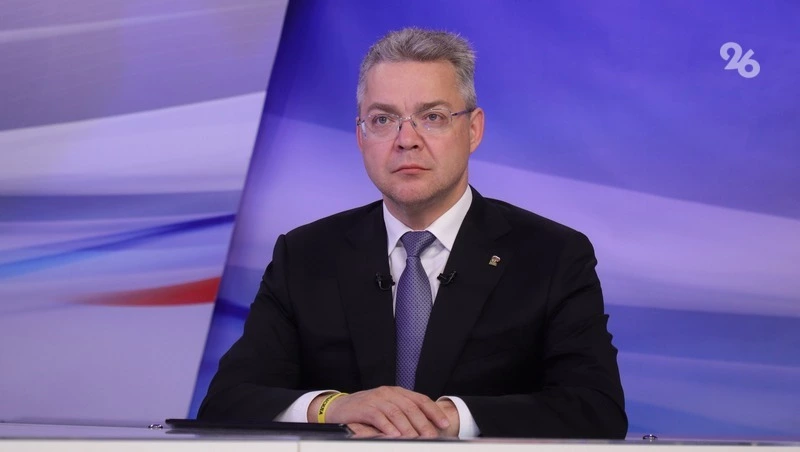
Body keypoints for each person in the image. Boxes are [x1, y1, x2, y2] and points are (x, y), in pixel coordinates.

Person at [198, 27, 627, 439]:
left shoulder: (551, 255)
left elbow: (595, 408)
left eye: (432, 117)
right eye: (383, 119)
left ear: (473, 129)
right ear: (360, 135)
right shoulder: (305, 255)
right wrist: (332, 408)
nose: (406, 140)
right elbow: (227, 402)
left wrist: (451, 418)